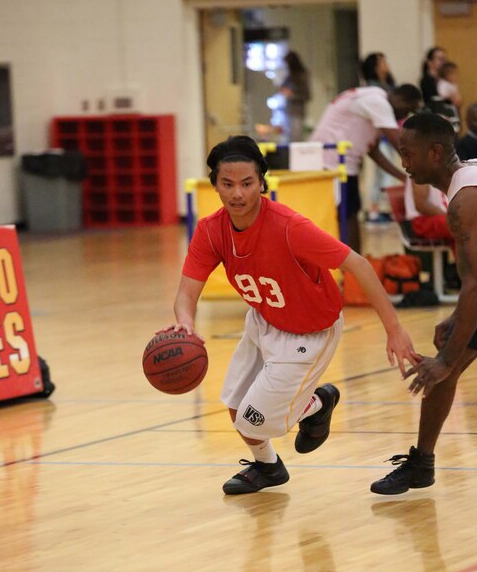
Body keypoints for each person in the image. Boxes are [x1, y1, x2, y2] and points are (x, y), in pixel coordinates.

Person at [161, 135, 419, 495]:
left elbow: (358, 264)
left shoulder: (288, 226)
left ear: (262, 183)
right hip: (264, 320)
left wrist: (394, 329)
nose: (237, 193)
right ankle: (268, 469)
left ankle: (317, 404)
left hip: (310, 330)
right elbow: (187, 293)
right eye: (228, 184)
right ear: (215, 185)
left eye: (247, 183)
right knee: (236, 408)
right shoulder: (210, 230)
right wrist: (185, 322)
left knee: (258, 421)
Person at [371, 112, 477, 495]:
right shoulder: (472, 171)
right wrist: (456, 322)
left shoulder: (466, 199)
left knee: (444, 361)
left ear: (435, 153)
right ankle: (421, 463)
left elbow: (476, 287)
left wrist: (443, 359)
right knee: (448, 355)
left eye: (408, 154)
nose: (403, 163)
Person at [310, 83, 422, 253]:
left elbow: (373, 150)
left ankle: (355, 265)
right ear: (400, 99)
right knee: (346, 217)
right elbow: (399, 143)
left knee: (352, 214)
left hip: (343, 165)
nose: (405, 115)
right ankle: (350, 267)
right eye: (408, 109)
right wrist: (422, 169)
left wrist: (402, 176)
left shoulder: (373, 99)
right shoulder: (378, 103)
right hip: (331, 164)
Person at [360, 52, 396, 223]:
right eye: (382, 62)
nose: (386, 65)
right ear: (375, 67)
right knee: (381, 176)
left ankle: (381, 208)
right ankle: (375, 210)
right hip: (379, 138)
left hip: (387, 139)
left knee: (385, 176)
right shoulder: (372, 90)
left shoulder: (388, 86)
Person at [272, 51, 311, 142]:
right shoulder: (289, 77)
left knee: (296, 139)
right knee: (287, 138)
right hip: (287, 111)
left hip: (297, 112)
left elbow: (307, 95)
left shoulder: (302, 76)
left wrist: (292, 95)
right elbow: (281, 87)